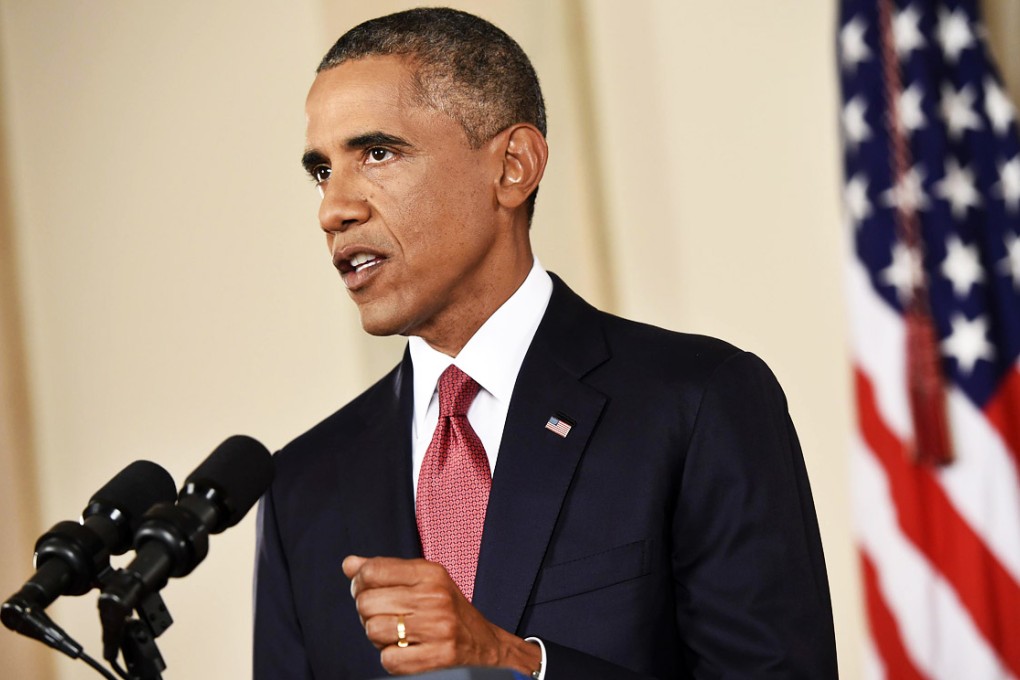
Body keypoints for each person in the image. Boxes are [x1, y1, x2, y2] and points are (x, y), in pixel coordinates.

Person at [253, 7, 838, 679]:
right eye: (321, 171)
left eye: (377, 153)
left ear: (513, 166)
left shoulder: (698, 402)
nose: (334, 209)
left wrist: (516, 663)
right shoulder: (302, 485)